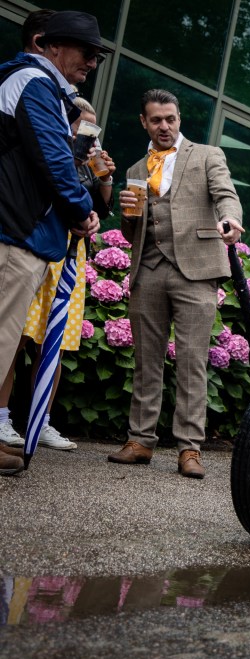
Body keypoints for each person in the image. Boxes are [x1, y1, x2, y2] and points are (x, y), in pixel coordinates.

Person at [109, 88, 245, 479]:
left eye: (170, 119)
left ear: (179, 118)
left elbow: (225, 194)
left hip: (196, 269)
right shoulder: (137, 170)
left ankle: (189, 448)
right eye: (156, 120)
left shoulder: (206, 156)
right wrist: (129, 215)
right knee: (145, 360)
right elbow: (132, 230)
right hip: (148, 267)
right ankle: (140, 441)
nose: (164, 126)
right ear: (144, 122)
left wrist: (230, 219)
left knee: (191, 361)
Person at [0, 10, 105, 475]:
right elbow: (54, 161)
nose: (93, 62)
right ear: (46, 43)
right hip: (14, 233)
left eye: (98, 55)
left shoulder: (39, 87)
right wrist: (82, 211)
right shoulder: (33, 82)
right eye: (86, 51)